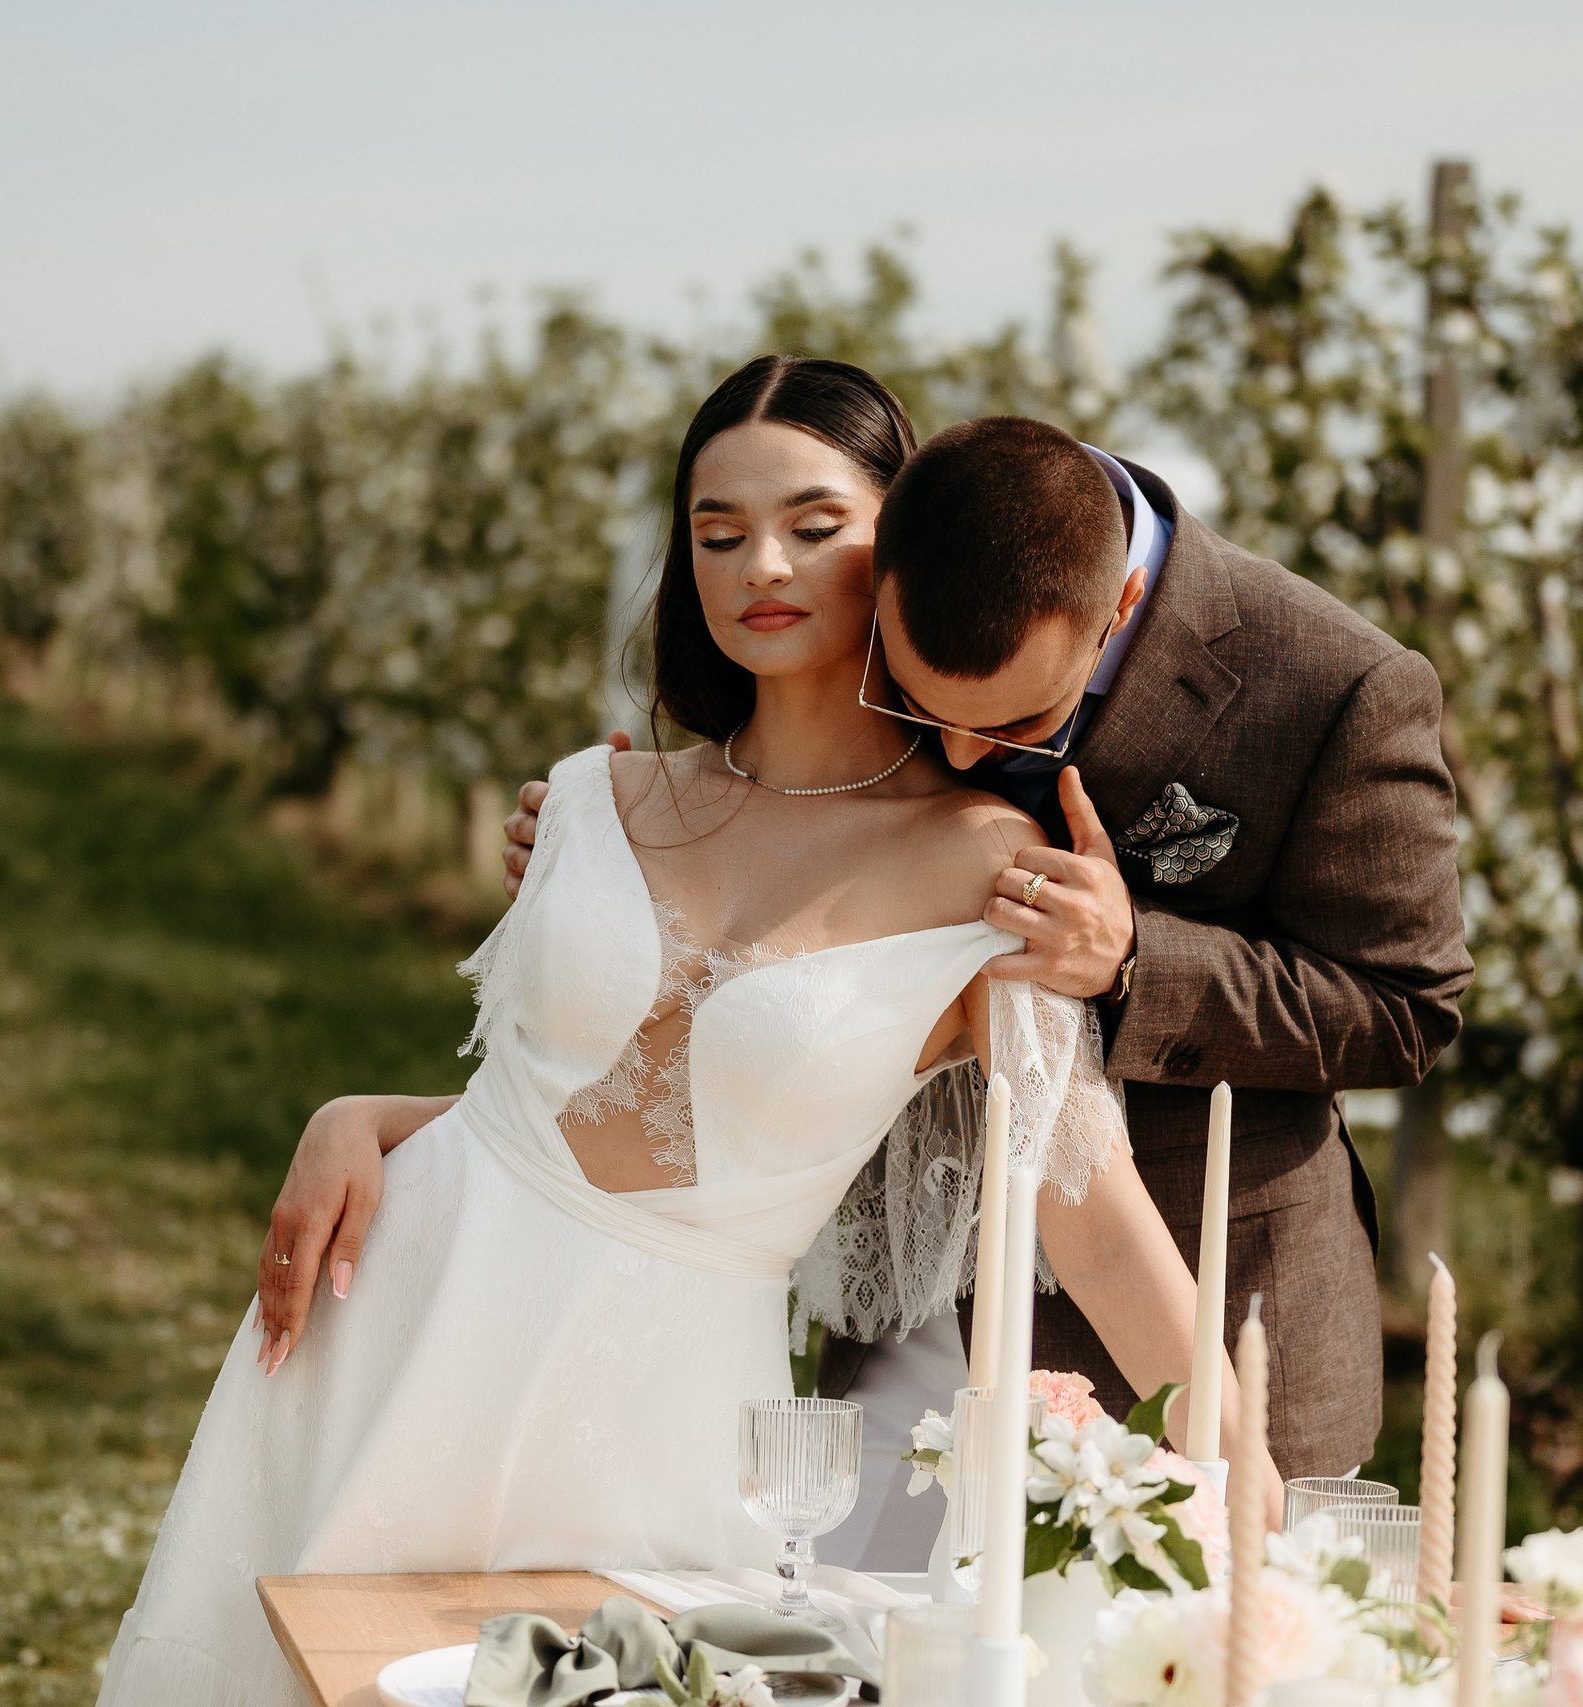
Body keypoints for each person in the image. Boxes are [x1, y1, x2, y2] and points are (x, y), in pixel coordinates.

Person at [97, 359, 1269, 1707]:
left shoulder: (985, 866)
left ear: (900, 552)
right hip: (385, 1320)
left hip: (655, 1417)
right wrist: (350, 1116)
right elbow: (553, 1113)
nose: (760, 561)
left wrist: (1252, 1483)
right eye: (717, 532)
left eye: (815, 525)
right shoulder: (598, 794)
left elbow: (1090, 1208)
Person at [507, 415, 1473, 1485]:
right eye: (916, 703)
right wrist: (604, 864)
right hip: (896, 1288)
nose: (959, 752)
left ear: (1119, 610)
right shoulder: (952, 517)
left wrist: (1135, 961)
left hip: (1178, 1304)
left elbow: (1405, 1007)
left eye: (1016, 723)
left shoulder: (1337, 688)